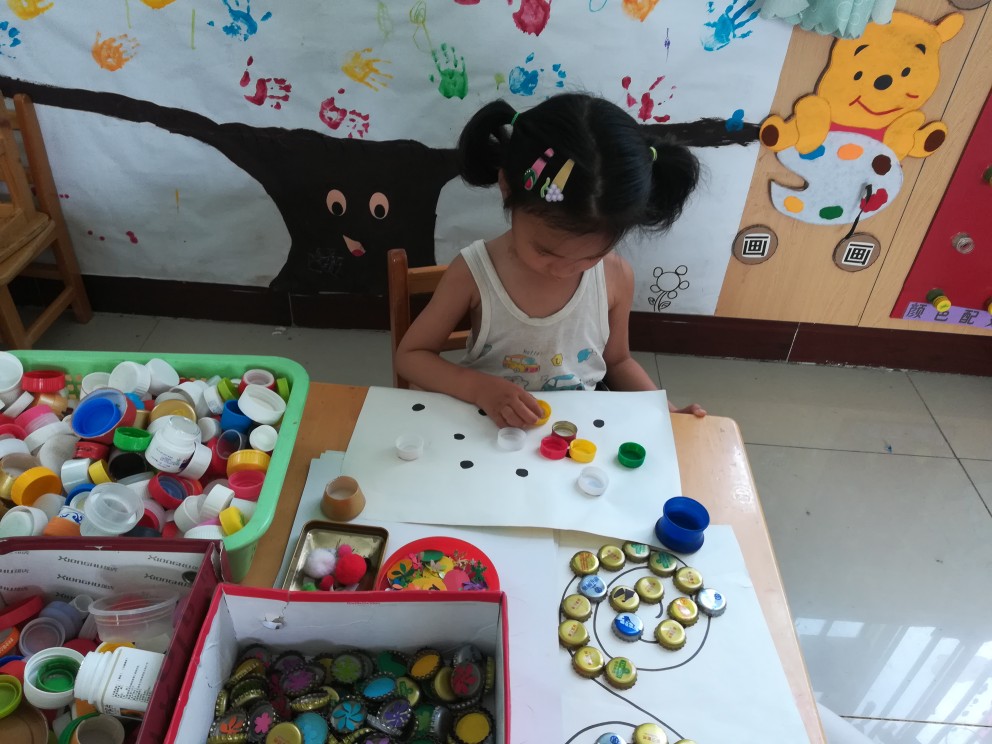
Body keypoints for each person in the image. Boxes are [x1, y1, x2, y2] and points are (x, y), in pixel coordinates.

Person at [395, 93, 706, 428]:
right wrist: (479, 388)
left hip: (574, 433)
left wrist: (664, 411)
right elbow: (411, 357)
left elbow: (617, 361)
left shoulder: (616, 276)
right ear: (506, 186)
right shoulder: (474, 272)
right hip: (488, 428)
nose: (563, 270)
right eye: (545, 251)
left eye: (590, 256)